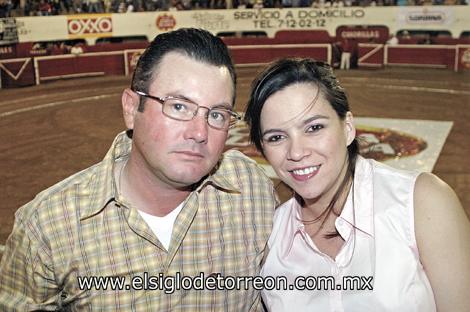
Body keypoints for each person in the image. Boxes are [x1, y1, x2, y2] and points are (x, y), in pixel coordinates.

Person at [0, 28, 278, 310]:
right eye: (179, 106)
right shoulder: (47, 227)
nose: (199, 132)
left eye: (216, 114)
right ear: (132, 109)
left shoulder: (252, 189)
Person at [244, 58, 470, 311]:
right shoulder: (269, 236)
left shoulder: (421, 203)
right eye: (276, 137)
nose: (296, 152)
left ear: (348, 128)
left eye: (314, 127)